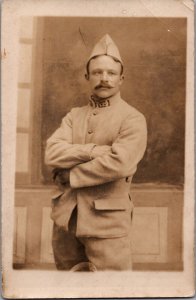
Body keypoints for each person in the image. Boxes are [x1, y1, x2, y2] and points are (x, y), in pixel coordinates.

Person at [45, 34, 147, 271]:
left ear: (121, 78)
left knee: (112, 291)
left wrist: (72, 176)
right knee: (68, 290)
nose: (104, 79)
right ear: (87, 77)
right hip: (66, 221)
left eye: (111, 73)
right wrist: (94, 151)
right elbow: (52, 153)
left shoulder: (132, 118)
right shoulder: (74, 116)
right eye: (97, 72)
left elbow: (121, 163)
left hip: (108, 225)